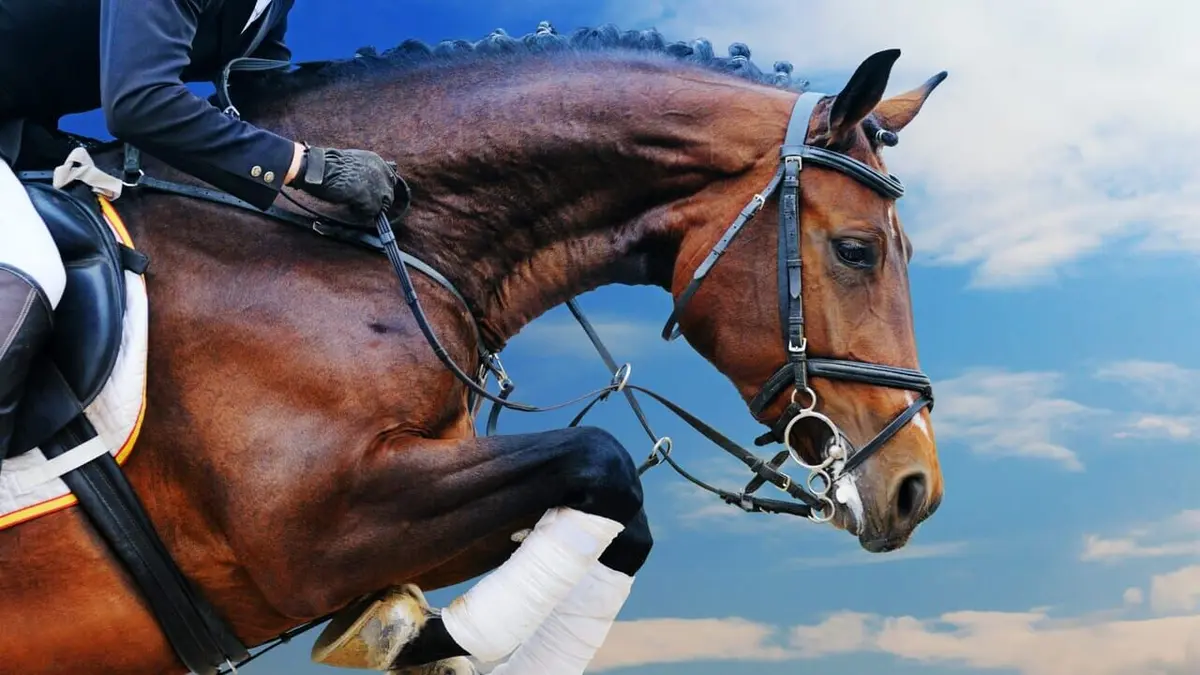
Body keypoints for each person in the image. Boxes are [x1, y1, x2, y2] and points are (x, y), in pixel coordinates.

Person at [0, 0, 399, 459]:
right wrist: (308, 167)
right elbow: (140, 103)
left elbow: (260, 95)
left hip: (23, 127)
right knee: (34, 266)